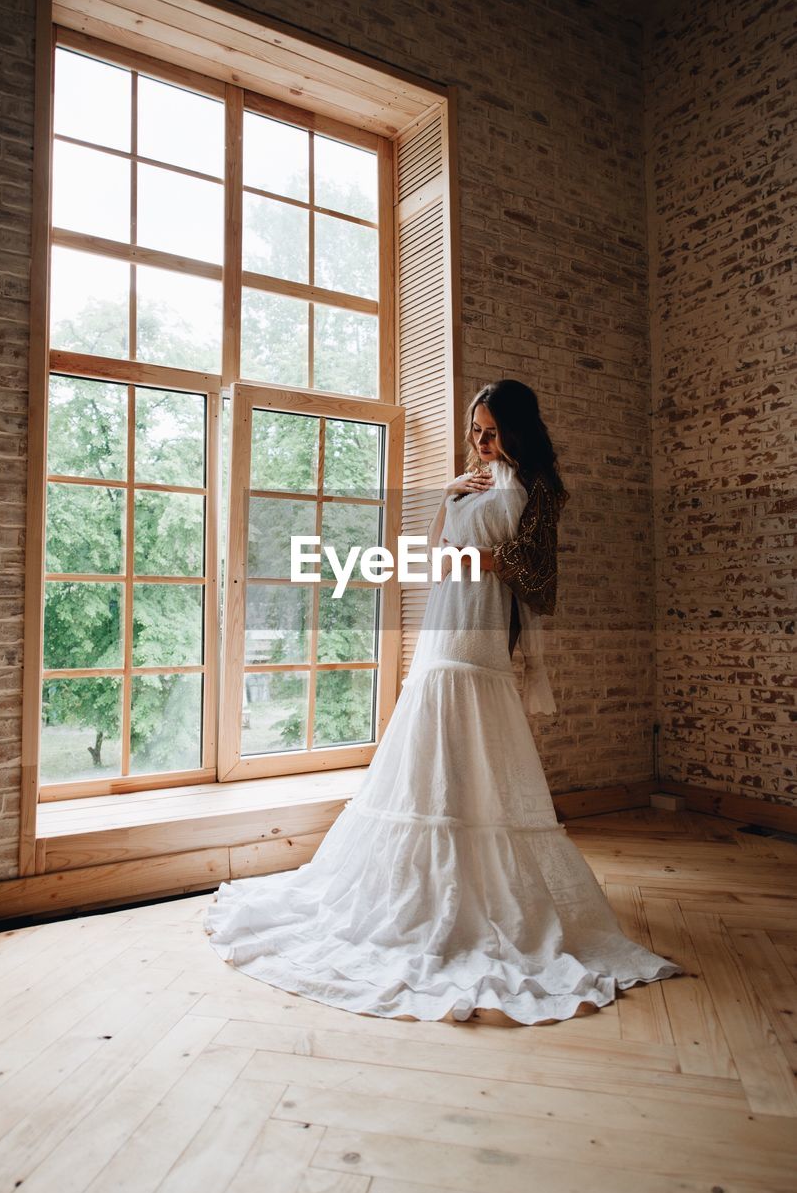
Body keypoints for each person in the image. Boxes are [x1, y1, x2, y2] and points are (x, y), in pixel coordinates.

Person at [204, 379, 684, 1024]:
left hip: (482, 628)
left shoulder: (540, 486)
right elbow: (434, 555)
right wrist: (446, 500)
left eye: (490, 432)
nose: (481, 444)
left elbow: (539, 569)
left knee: (477, 741)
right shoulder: (470, 480)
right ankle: (422, 892)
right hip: (445, 621)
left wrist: (476, 555)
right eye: (475, 433)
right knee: (430, 736)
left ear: (516, 430)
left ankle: (485, 895)